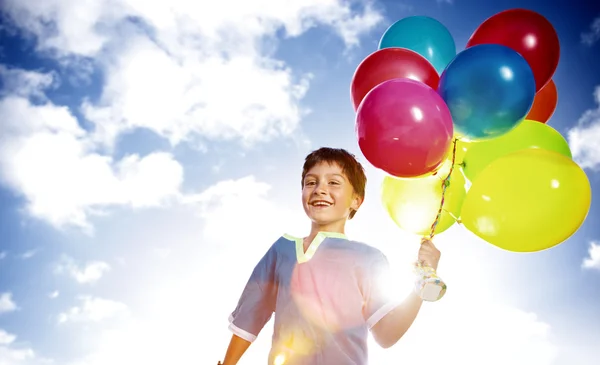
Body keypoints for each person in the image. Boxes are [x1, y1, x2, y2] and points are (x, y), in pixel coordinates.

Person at [218, 147, 441, 365]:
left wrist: (422, 282)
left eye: (333, 182)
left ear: (356, 200)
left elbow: (387, 334)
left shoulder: (368, 258)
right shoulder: (281, 250)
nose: (319, 189)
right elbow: (250, 317)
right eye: (311, 182)